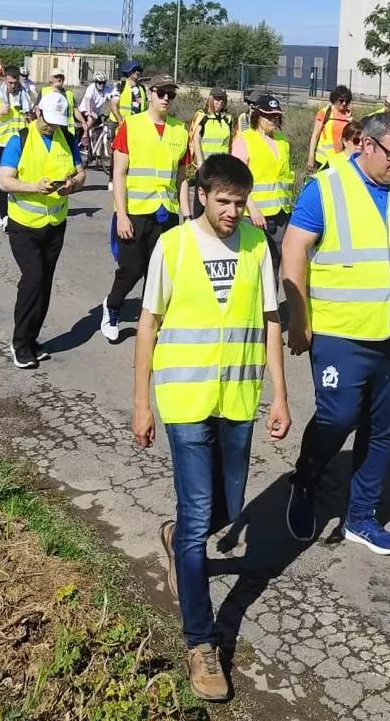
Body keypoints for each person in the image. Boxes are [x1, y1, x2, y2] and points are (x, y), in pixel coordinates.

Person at [131, 153, 291, 703]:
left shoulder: (256, 246)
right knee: (200, 515)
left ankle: (176, 538)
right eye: (223, 200)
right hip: (184, 401)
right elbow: (148, 324)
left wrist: (280, 395)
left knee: (228, 508)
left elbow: (270, 321)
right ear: (202, 195)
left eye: (240, 202)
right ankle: (201, 642)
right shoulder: (172, 246)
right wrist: (141, 404)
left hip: (238, 400)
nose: (232, 211)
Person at [282, 109, 390, 555]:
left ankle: (362, 518)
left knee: (381, 428)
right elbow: (293, 249)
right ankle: (306, 478)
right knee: (338, 417)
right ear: (367, 145)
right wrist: (299, 318)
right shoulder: (326, 188)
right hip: (340, 334)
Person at [0, 92, 90, 369]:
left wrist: (72, 185)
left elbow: (81, 174)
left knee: (45, 282)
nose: (52, 126)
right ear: (38, 112)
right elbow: (5, 181)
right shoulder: (19, 140)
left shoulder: (67, 139)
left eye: (57, 122)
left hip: (55, 224)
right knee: (33, 279)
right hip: (24, 225)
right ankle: (19, 343)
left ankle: (32, 338)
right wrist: (34, 187)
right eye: (49, 121)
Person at [104, 74, 191, 343]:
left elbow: (182, 179)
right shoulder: (131, 126)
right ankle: (112, 306)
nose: (166, 98)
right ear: (150, 94)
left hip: (166, 213)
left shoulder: (180, 131)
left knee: (159, 273)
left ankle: (150, 321)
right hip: (135, 212)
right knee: (131, 269)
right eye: (161, 93)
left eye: (170, 94)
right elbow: (119, 173)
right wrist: (121, 214)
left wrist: (188, 217)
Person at [231, 93, 293, 271]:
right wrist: (252, 208)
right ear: (257, 116)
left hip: (280, 213)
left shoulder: (283, 142)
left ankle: (272, 291)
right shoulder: (244, 140)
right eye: (267, 115)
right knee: (252, 262)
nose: (272, 119)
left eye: (276, 116)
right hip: (254, 215)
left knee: (275, 261)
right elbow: (237, 179)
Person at [0, 66, 34, 229]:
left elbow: (30, 117)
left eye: (15, 82)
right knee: (2, 180)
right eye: (10, 82)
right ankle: (5, 215)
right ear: (5, 79)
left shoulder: (25, 95)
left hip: (18, 143)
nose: (13, 86)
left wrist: (30, 116)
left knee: (14, 179)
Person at [306, 85, 354, 171]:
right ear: (335, 99)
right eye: (341, 100)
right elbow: (315, 136)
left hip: (340, 160)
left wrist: (349, 118)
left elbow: (352, 136)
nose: (344, 103)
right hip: (324, 161)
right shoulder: (325, 113)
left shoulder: (347, 115)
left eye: (346, 101)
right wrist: (311, 157)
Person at [75, 69, 114, 138]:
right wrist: (90, 112)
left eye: (104, 83)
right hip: (85, 109)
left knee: (102, 125)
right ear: (95, 82)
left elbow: (113, 98)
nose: (102, 85)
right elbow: (87, 101)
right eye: (100, 83)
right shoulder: (91, 88)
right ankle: (84, 136)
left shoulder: (106, 89)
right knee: (91, 119)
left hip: (96, 113)